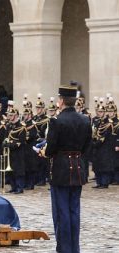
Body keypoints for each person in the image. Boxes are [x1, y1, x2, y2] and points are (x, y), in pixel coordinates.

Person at [41, 82, 91, 253]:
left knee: (61, 213)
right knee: (74, 211)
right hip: (77, 169)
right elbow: (86, 147)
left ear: (61, 101)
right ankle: (74, 248)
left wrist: (44, 152)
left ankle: (64, 249)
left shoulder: (56, 121)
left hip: (60, 170)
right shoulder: (85, 120)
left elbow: (51, 148)